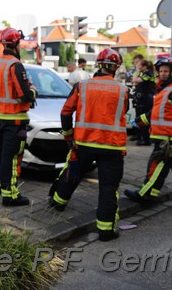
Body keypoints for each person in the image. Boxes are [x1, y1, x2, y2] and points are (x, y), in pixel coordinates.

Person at [48, 48, 128, 241]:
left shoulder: (82, 86)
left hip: (84, 143)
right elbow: (123, 111)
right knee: (109, 187)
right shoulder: (123, 90)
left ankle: (58, 202)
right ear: (116, 68)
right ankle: (106, 231)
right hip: (112, 147)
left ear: (98, 65)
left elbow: (66, 112)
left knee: (73, 172)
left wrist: (68, 136)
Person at [124, 57, 172, 213]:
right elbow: (156, 113)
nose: (163, 74)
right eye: (160, 71)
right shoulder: (165, 90)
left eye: (166, 71)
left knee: (157, 165)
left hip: (171, 139)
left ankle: (146, 195)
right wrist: (139, 121)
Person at [0, 27, 38, 207]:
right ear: (16, 44)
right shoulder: (15, 65)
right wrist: (33, 91)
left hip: (1, 117)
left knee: (2, 154)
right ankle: (10, 196)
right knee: (12, 158)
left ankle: (0, 185)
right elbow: (25, 94)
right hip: (15, 119)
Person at [132, 59, 156, 146]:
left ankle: (146, 139)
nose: (137, 66)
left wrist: (136, 71)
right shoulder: (144, 73)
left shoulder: (148, 74)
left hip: (146, 99)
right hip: (142, 98)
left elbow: (135, 80)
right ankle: (139, 136)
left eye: (139, 65)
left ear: (144, 66)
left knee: (144, 119)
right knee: (139, 117)